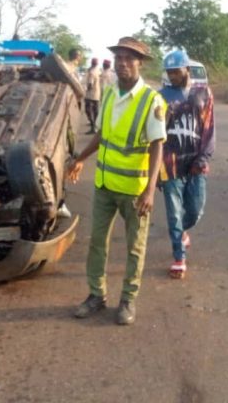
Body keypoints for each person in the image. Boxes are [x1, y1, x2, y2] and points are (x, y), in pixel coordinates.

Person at [67, 36, 167, 325]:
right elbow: (101, 134)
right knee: (97, 242)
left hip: (135, 191)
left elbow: (157, 145)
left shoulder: (152, 101)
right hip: (105, 186)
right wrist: (81, 158)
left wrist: (150, 189)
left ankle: (128, 300)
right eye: (119, 57)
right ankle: (96, 295)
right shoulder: (109, 94)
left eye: (129, 58)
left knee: (135, 248)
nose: (123, 63)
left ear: (139, 63)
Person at [157, 50, 216, 279]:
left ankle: (182, 233)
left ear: (187, 71)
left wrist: (203, 159)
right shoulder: (160, 97)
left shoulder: (203, 94)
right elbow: (155, 132)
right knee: (174, 213)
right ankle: (179, 257)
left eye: (176, 72)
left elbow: (209, 128)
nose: (172, 76)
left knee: (194, 211)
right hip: (169, 163)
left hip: (195, 163)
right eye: (169, 72)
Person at [84, 58, 101, 134]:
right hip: (97, 94)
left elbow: (90, 84)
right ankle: (96, 127)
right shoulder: (98, 71)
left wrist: (84, 90)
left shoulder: (91, 72)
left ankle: (93, 127)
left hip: (90, 94)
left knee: (88, 110)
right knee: (96, 111)